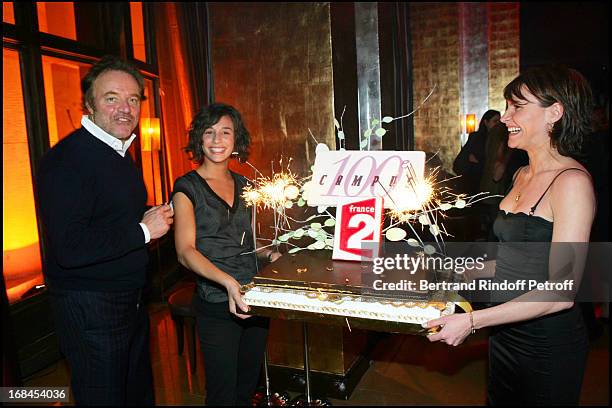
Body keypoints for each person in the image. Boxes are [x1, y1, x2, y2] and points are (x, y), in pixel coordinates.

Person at [424, 65, 595, 405]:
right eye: (506, 106)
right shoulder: (520, 174)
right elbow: (511, 261)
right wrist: (457, 274)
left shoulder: (572, 184)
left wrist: (473, 321)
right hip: (505, 336)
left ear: (555, 113)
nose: (504, 117)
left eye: (517, 106)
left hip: (546, 347)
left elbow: (561, 292)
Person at [36, 55, 174, 405]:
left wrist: (148, 215)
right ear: (89, 105)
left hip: (128, 299)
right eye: (111, 98)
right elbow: (71, 247)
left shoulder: (117, 151)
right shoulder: (68, 160)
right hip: (91, 306)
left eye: (132, 99)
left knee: (135, 394)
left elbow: (105, 216)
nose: (124, 108)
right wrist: (143, 230)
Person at [172, 103, 281, 406]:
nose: (217, 140)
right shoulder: (187, 187)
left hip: (254, 297)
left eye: (225, 132)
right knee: (222, 395)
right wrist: (228, 282)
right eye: (209, 132)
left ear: (236, 140)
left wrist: (272, 254)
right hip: (217, 301)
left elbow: (246, 240)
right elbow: (185, 251)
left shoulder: (246, 185)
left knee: (246, 388)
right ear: (199, 139)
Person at [453, 109, 501, 195]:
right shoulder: (477, 138)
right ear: (486, 122)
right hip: (474, 180)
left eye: (499, 121)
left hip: (489, 181)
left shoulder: (499, 139)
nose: (498, 124)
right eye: (495, 121)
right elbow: (467, 157)